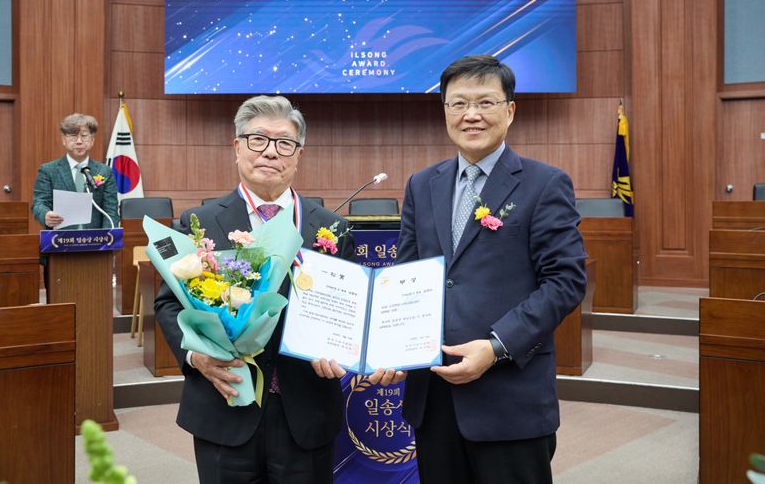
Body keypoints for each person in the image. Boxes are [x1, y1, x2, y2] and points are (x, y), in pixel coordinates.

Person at [370, 55, 587, 483]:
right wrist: (391, 345)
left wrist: (496, 346)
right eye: (458, 104)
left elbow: (565, 281)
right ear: (445, 111)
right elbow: (407, 273)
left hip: (509, 398)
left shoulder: (545, 183)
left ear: (509, 110)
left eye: (485, 102)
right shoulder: (421, 183)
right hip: (434, 397)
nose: (471, 115)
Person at [154, 95, 355, 484]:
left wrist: (339, 346)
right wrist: (198, 358)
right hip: (224, 402)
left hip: (306, 409)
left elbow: (346, 308)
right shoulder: (199, 222)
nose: (270, 152)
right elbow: (167, 305)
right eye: (258, 139)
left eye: (284, 143)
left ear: (298, 155)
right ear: (237, 147)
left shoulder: (332, 227)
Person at [31, 113, 118, 230]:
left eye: (84, 136)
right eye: (73, 136)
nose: (79, 141)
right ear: (64, 140)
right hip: (60, 241)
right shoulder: (48, 170)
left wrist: (107, 239)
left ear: (92, 140)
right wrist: (45, 214)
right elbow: (39, 203)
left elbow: (110, 209)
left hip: (95, 242)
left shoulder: (104, 171)